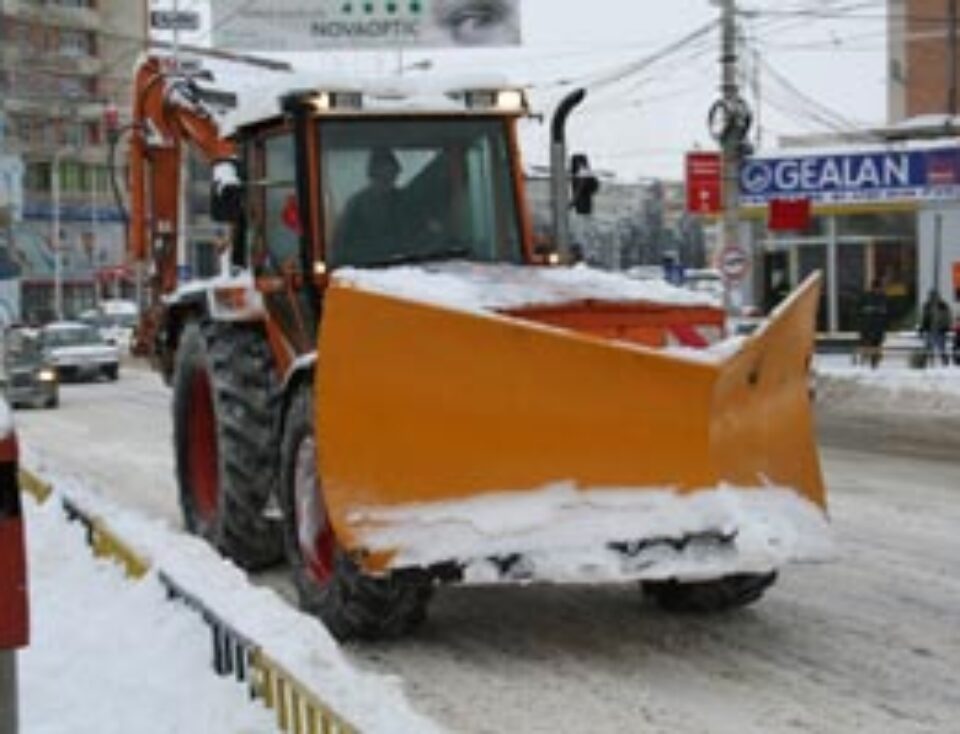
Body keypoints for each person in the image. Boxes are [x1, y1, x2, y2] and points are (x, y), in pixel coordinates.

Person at [333, 148, 408, 264]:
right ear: (373, 176)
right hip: (365, 269)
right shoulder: (356, 205)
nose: (388, 181)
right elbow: (341, 248)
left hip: (406, 266)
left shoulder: (404, 201)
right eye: (383, 177)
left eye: (391, 176)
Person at [857, 279, 888, 368]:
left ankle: (875, 361)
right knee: (867, 342)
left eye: (879, 288)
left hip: (878, 326)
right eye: (876, 288)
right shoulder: (866, 297)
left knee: (877, 343)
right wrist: (867, 311)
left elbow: (886, 310)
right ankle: (865, 358)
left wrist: (881, 312)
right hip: (868, 325)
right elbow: (859, 309)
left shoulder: (883, 297)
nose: (878, 290)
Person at [919, 289, 953, 367]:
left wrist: (946, 326)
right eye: (931, 296)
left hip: (939, 330)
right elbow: (925, 317)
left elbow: (946, 317)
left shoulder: (942, 305)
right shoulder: (927, 305)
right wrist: (923, 327)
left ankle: (944, 362)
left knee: (941, 348)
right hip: (931, 329)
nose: (933, 297)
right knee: (929, 347)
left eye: (933, 296)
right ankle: (930, 363)